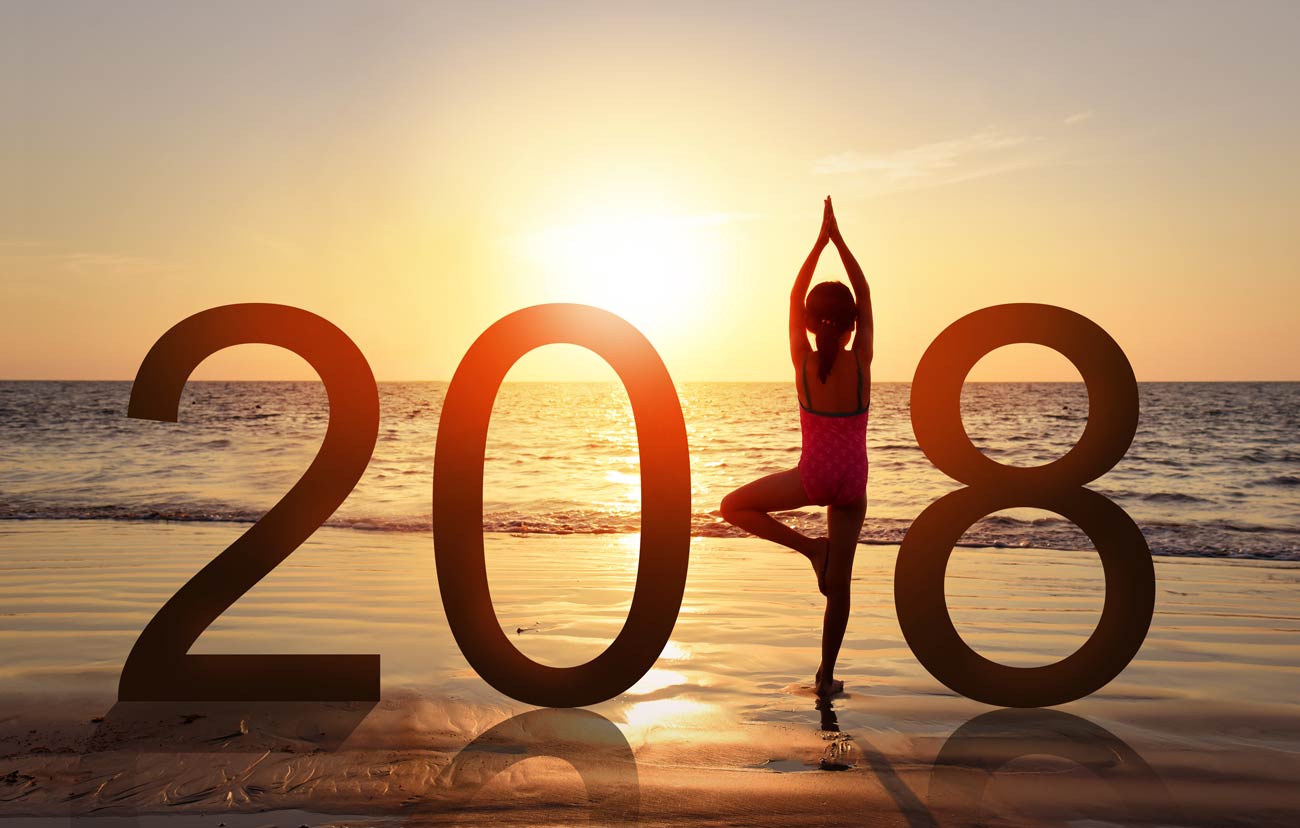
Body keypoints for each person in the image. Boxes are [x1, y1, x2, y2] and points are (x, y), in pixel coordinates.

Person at [720, 196, 872, 698]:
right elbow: (865, 293)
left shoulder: (802, 362)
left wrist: (817, 241)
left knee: (733, 506)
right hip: (853, 484)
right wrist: (839, 240)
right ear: (851, 325)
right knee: (841, 586)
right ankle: (826, 676)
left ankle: (811, 550)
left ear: (810, 324)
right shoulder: (862, 363)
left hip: (813, 478)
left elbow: (792, 297)